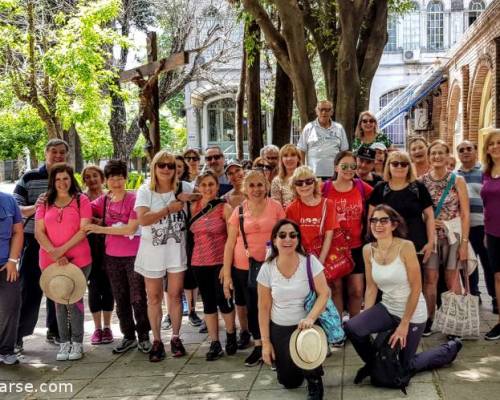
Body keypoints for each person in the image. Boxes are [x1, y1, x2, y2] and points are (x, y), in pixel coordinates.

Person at [344, 205, 462, 383]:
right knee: (353, 327)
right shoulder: (368, 249)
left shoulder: (405, 247)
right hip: (388, 308)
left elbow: (416, 287)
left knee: (404, 367)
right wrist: (366, 317)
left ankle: (448, 350)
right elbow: (371, 287)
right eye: (374, 220)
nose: (378, 225)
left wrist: (404, 324)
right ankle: (374, 364)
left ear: (393, 225)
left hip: (413, 313)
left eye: (384, 220)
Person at [83, 160, 150, 355]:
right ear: (107, 181)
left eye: (120, 178)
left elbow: (131, 228)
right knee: (120, 299)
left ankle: (144, 336)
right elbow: (84, 207)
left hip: (134, 256)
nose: (116, 182)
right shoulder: (103, 201)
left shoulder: (134, 199)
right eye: (112, 178)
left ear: (125, 178)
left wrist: (98, 228)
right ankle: (128, 336)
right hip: (111, 257)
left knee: (138, 298)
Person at [258, 219, 329, 399]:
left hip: (306, 326)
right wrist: (265, 343)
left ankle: (314, 379)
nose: (287, 239)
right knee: (289, 382)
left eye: (292, 235)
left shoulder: (310, 262)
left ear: (298, 239)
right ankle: (298, 367)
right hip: (280, 328)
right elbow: (264, 307)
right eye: (282, 235)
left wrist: (311, 318)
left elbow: (324, 293)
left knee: (309, 360)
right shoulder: (267, 267)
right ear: (274, 240)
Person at [222, 170, 285, 366]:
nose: (256, 189)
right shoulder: (238, 211)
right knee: (252, 307)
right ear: (245, 189)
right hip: (244, 267)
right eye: (252, 185)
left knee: (274, 306)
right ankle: (258, 346)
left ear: (266, 186)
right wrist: (226, 272)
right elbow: (230, 243)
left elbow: (285, 234)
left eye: (260, 184)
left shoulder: (276, 207)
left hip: (272, 265)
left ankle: (274, 345)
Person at [134, 151, 193, 361]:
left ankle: (176, 337)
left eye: (170, 165)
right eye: (162, 165)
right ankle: (157, 340)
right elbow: (142, 220)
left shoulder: (184, 187)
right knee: (154, 297)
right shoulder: (145, 190)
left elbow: (206, 193)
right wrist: (168, 209)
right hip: (152, 251)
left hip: (175, 250)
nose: (167, 169)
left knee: (176, 295)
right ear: (154, 167)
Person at [13, 138, 68, 352]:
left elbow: (79, 203)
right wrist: (35, 207)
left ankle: (55, 331)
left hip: (61, 245)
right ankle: (18, 335)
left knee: (59, 288)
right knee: (28, 290)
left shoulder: (68, 177)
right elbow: (15, 207)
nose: (57, 156)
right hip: (33, 242)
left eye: (62, 152)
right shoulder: (29, 177)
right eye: (53, 152)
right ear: (45, 153)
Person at [35, 163, 92, 361]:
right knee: (59, 300)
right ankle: (64, 341)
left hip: (78, 258)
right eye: (57, 179)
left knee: (74, 299)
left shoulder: (80, 200)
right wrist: (55, 253)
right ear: (53, 181)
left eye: (65, 178)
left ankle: (77, 342)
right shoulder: (44, 202)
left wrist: (62, 250)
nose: (62, 183)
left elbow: (83, 230)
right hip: (50, 260)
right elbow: (38, 232)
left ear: (71, 179)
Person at [420, 140, 470, 336]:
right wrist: (430, 220)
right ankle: (429, 319)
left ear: (448, 156)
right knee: (430, 278)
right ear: (429, 156)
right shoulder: (422, 181)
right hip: (431, 237)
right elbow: (419, 211)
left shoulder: (457, 180)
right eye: (433, 153)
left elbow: (465, 213)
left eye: (441, 153)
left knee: (452, 278)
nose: (437, 157)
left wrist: (464, 244)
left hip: (453, 237)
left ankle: (455, 322)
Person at [189, 171, 237, 360]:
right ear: (199, 187)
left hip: (220, 262)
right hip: (199, 262)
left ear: (217, 186)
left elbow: (232, 237)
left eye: (211, 184)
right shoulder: (193, 207)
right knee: (208, 304)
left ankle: (231, 334)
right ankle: (214, 342)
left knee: (224, 300)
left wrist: (228, 267)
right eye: (204, 185)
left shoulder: (224, 208)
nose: (207, 188)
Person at [322, 151, 372, 319]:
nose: (349, 170)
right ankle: (338, 329)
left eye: (353, 166)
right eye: (344, 166)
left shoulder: (360, 186)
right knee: (336, 288)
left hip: (356, 246)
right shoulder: (325, 188)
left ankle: (354, 326)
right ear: (336, 167)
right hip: (332, 247)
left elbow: (381, 198)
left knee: (357, 290)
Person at [368, 151, 435, 267]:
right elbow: (371, 218)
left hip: (416, 244)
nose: (399, 167)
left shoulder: (418, 188)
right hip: (387, 244)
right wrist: (374, 242)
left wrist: (430, 242)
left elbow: (429, 216)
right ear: (388, 166)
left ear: (409, 167)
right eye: (395, 164)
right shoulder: (380, 188)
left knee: (414, 282)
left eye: (404, 164)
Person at [457, 140, 495, 309]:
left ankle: (495, 298)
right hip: (464, 228)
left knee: (489, 264)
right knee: (467, 265)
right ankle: (473, 295)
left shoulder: (485, 172)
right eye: (461, 150)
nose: (465, 152)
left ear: (475, 151)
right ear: (458, 154)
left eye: (469, 149)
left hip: (484, 226)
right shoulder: (454, 175)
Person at [82, 166, 114, 345]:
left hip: (109, 247)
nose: (92, 179)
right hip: (88, 248)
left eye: (95, 176)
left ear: (102, 177)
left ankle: (108, 326)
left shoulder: (110, 197)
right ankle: (97, 328)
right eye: (87, 177)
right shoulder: (81, 198)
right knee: (93, 288)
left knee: (108, 287)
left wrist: (101, 223)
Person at [286, 166, 336, 267]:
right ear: (294, 186)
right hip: (302, 258)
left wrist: (320, 262)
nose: (304, 185)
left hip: (326, 257)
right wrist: (306, 260)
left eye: (308, 181)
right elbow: (293, 237)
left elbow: (329, 235)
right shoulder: (291, 208)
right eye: (299, 183)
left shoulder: (328, 204)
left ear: (315, 183)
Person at [175, 154, 202, 327]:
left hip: (187, 234)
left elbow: (200, 197)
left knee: (190, 274)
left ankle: (192, 310)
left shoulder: (186, 186)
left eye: (178, 166)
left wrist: (188, 197)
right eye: (171, 166)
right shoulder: (158, 187)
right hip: (167, 238)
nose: (174, 170)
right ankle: (171, 312)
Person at [297, 100, 349, 180]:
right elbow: (301, 150)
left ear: (332, 112)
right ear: (316, 111)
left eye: (327, 110)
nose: (324, 113)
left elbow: (344, 152)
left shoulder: (339, 128)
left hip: (335, 174)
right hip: (313, 175)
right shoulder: (309, 127)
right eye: (321, 109)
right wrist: (302, 171)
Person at [480, 129, 500, 340]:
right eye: (491, 144)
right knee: (497, 276)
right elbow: (487, 205)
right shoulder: (486, 172)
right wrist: (486, 232)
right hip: (493, 232)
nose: (495, 146)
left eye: (498, 142)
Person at [0, 192, 23, 365]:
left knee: (11, 305)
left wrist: (13, 260)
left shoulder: (8, 201)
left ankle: (6, 350)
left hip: (6, 264)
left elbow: (17, 232)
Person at [271, 144, 302, 208]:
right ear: (281, 160)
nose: (289, 159)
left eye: (293, 155)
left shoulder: (307, 178)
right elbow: (276, 207)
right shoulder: (277, 181)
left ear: (298, 159)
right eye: (285, 156)